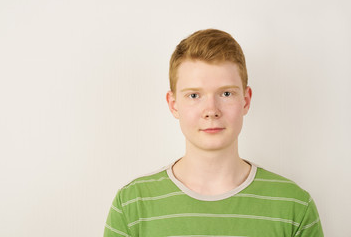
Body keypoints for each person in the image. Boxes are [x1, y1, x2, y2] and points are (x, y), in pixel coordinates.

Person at [103, 29, 323, 236]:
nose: (211, 111)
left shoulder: (294, 207)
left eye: (226, 93)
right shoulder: (132, 205)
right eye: (194, 95)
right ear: (173, 104)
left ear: (245, 101)